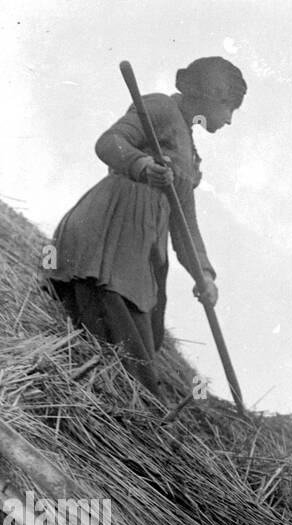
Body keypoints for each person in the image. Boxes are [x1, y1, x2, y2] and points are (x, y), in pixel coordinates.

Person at [46, 56, 247, 397]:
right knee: (126, 358)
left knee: (140, 354)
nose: (228, 120)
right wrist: (141, 166)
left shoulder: (190, 154)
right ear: (208, 97)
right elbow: (109, 142)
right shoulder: (159, 108)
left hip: (139, 255)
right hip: (111, 236)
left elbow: (185, 225)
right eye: (229, 108)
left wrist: (205, 276)